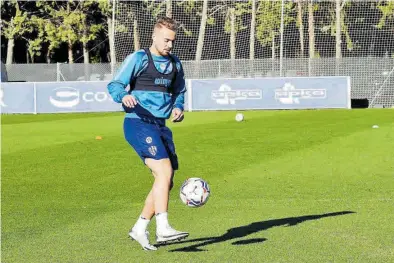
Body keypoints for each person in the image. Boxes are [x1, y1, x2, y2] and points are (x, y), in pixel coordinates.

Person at [107, 17, 188, 251]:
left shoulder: (175, 64)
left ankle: (139, 228)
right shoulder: (139, 58)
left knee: (166, 180)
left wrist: (178, 107)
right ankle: (163, 228)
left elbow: (179, 91)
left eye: (173, 41)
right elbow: (115, 85)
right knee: (164, 171)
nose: (170, 45)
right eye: (166, 40)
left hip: (160, 125)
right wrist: (123, 95)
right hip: (138, 122)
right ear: (154, 37)